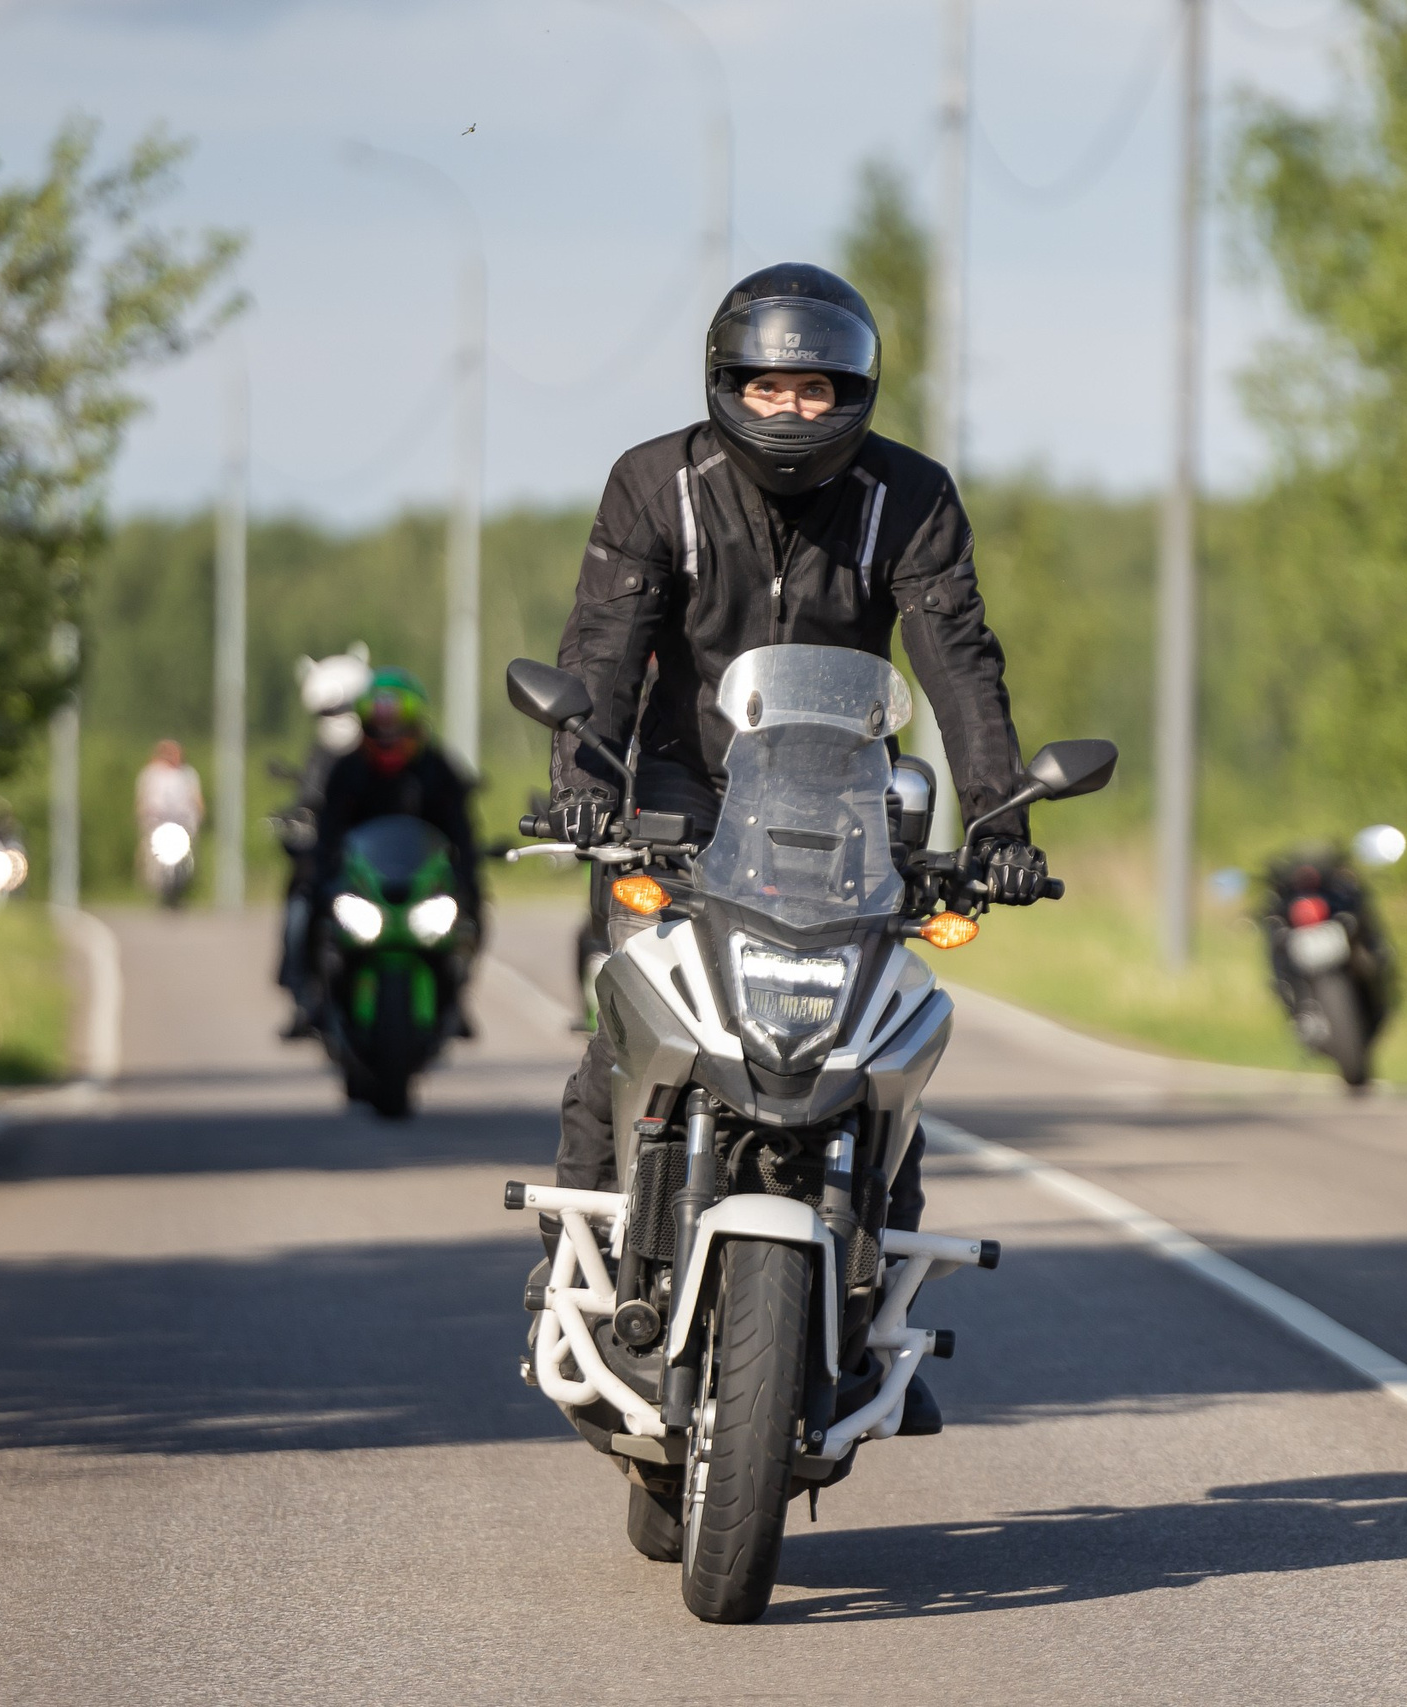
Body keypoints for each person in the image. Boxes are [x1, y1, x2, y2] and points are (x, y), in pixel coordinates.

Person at [543, 261, 1050, 1433]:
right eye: (769, 387)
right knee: (624, 1029)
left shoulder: (908, 497)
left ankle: (872, 1317)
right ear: (728, 383)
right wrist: (580, 788)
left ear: (854, 392)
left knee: (878, 1050)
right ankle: (574, 1256)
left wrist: (1000, 820)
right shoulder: (654, 485)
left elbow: (958, 664)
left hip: (840, 811)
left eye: (815, 389)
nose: (791, 410)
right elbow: (603, 655)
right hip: (675, 806)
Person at [311, 667, 478, 922]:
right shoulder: (348, 770)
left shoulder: (437, 770)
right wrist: (324, 883)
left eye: (397, 714)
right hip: (361, 893)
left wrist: (465, 888)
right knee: (303, 910)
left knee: (468, 918)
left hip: (424, 893)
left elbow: (461, 836)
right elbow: (328, 834)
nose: (387, 725)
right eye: (378, 714)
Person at [278, 651, 374, 1035]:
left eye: (347, 705)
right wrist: (296, 822)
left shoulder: (385, 755)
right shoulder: (319, 758)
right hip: (336, 864)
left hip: (377, 865)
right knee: (300, 903)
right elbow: (305, 800)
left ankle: (452, 989)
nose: (339, 715)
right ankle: (302, 992)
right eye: (331, 708)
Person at [133, 739, 203, 890]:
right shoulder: (151, 773)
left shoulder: (187, 774)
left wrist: (199, 816)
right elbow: (143, 798)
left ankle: (184, 880)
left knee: (187, 853)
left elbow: (196, 799)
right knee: (151, 852)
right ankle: (153, 882)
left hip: (182, 822)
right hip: (157, 821)